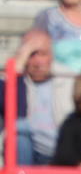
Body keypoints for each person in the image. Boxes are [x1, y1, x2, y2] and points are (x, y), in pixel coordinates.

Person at [2, 30, 64, 166]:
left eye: (42, 54)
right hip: (31, 151)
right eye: (31, 55)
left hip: (62, 151)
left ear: (52, 55)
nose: (37, 62)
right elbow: (8, 103)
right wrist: (17, 67)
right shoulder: (19, 82)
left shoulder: (68, 79)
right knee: (18, 137)